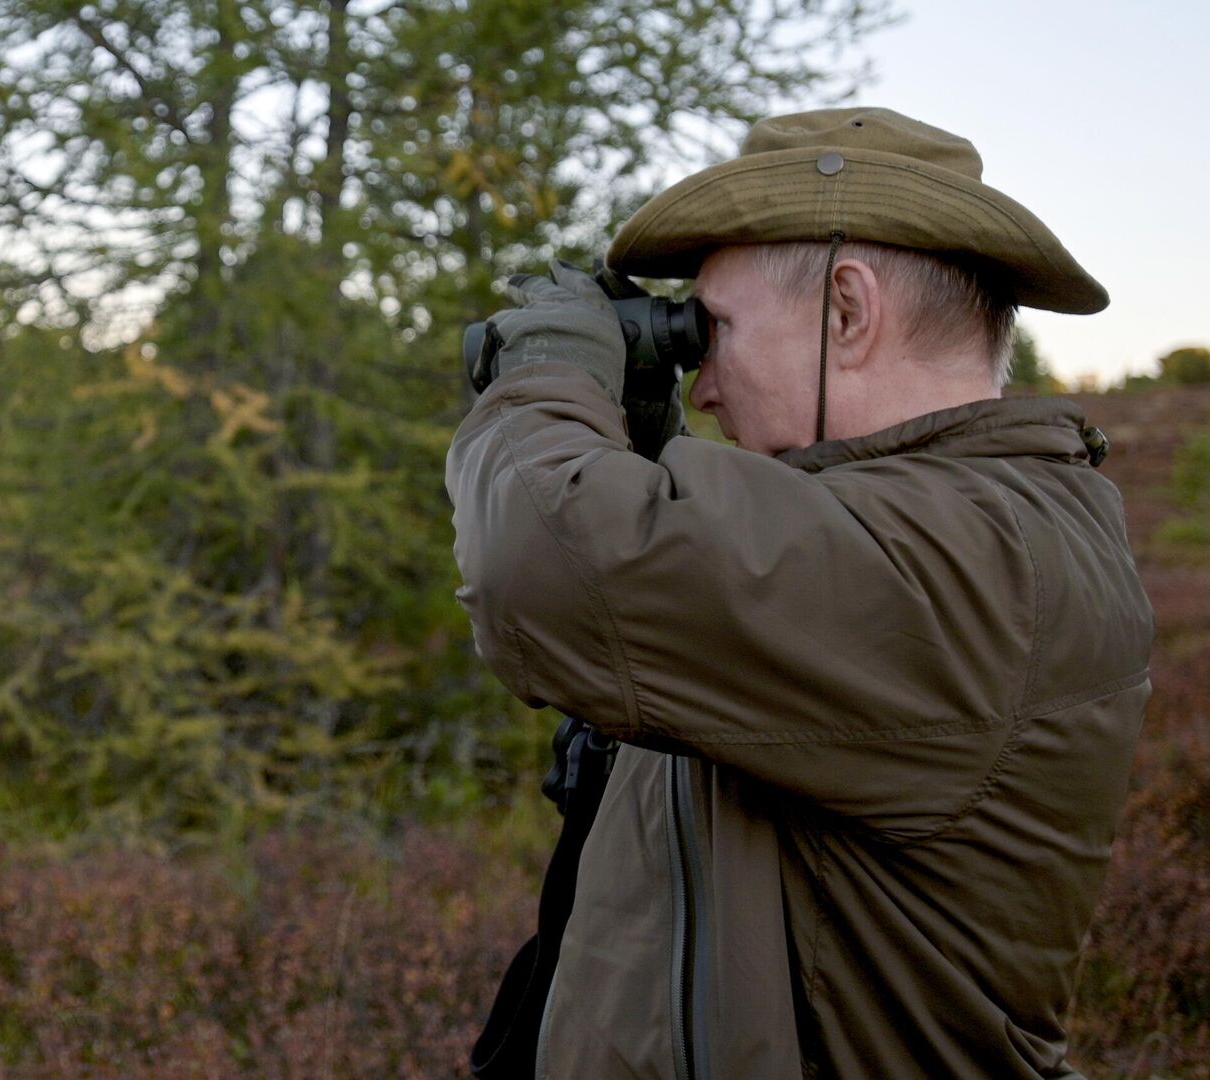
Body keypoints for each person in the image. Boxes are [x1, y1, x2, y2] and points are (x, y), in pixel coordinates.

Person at [447, 107, 1155, 1078]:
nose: (702, 388)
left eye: (715, 331)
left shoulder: (972, 558)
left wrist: (546, 375)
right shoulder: (951, 524)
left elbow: (542, 562)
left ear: (847, 312)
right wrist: (644, 446)